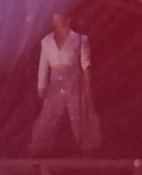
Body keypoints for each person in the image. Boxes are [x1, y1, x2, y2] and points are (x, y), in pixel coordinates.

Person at [28, 10, 101, 155]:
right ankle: (39, 147)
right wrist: (41, 85)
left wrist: (88, 86)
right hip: (55, 79)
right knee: (49, 113)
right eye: (55, 21)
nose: (56, 24)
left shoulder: (80, 40)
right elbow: (43, 64)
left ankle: (88, 147)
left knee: (80, 112)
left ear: (68, 20)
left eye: (59, 20)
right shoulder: (47, 41)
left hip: (74, 78)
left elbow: (85, 65)